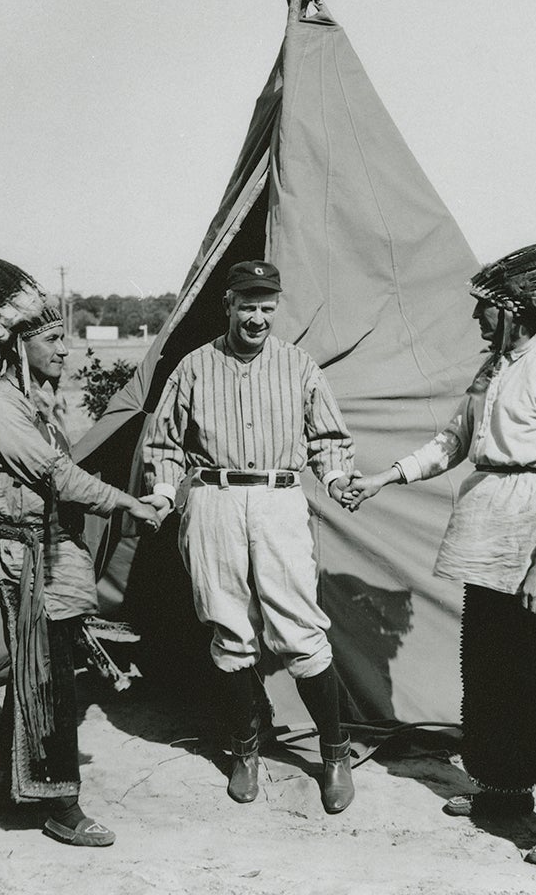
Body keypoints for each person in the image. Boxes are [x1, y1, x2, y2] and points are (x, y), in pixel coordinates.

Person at [343, 241, 536, 864]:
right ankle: (500, 790)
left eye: (487, 309)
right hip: (486, 526)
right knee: (490, 665)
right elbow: (453, 442)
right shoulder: (493, 369)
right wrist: (382, 478)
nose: (477, 318)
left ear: (519, 309)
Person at [0, 255, 160, 847]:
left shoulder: (31, 399)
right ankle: (59, 802)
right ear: (18, 344)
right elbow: (61, 479)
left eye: (63, 338)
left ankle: (16, 782)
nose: (63, 350)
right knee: (46, 674)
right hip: (24, 555)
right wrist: (131, 503)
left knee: (40, 666)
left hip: (45, 547)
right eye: (50, 339)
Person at [141, 260, 357, 813]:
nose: (257, 318)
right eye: (247, 306)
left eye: (266, 307)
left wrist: (333, 478)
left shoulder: (299, 365)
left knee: (300, 629)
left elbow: (328, 436)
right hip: (213, 500)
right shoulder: (194, 367)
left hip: (278, 499)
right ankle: (246, 751)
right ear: (229, 306)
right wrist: (164, 495)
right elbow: (164, 443)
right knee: (230, 630)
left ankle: (335, 754)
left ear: (275, 307)